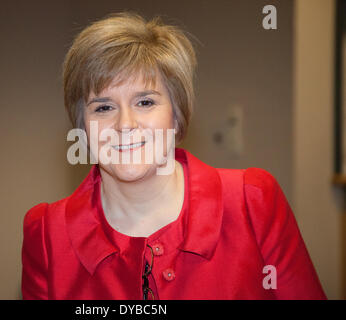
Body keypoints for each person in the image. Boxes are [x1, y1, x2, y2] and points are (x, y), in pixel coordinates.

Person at [21, 12, 326, 300]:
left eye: (145, 102)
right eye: (103, 107)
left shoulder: (252, 201)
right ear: (83, 127)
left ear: (177, 116)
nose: (125, 124)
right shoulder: (47, 233)